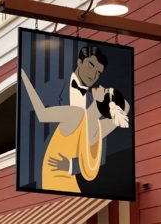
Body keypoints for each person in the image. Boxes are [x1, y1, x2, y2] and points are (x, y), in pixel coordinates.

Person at [20, 46, 130, 193]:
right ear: (79, 62)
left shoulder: (80, 116)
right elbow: (126, 108)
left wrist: (24, 77)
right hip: (46, 175)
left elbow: (42, 113)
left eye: (98, 73)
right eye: (91, 66)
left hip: (63, 176)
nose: (95, 76)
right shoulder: (97, 127)